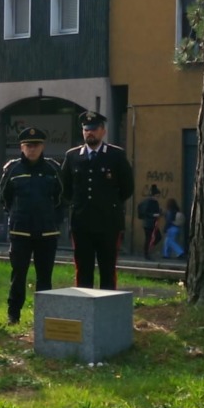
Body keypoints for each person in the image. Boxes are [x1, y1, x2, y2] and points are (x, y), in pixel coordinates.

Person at [60, 110, 135, 289]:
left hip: (108, 222)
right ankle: (84, 303)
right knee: (83, 269)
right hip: (81, 222)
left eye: (93, 129)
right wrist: (77, 205)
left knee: (107, 269)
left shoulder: (115, 155)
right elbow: (65, 187)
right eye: (86, 129)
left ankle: (108, 304)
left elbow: (127, 188)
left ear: (103, 131)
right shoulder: (72, 156)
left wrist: (110, 204)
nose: (89, 133)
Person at [0, 127, 64, 325]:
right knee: (18, 275)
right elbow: (5, 197)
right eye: (28, 146)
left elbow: (62, 197)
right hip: (20, 231)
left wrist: (53, 218)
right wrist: (16, 215)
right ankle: (13, 315)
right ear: (21, 147)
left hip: (47, 231)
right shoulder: (13, 169)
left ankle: (44, 316)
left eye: (36, 145)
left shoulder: (53, 168)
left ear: (42, 147)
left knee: (44, 276)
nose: (32, 149)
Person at [137, 184, 163, 259]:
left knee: (157, 237)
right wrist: (154, 215)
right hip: (148, 223)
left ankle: (148, 249)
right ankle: (146, 253)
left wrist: (159, 213)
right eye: (157, 196)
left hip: (153, 223)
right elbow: (146, 212)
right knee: (148, 238)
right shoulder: (149, 202)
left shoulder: (154, 202)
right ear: (153, 195)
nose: (158, 197)